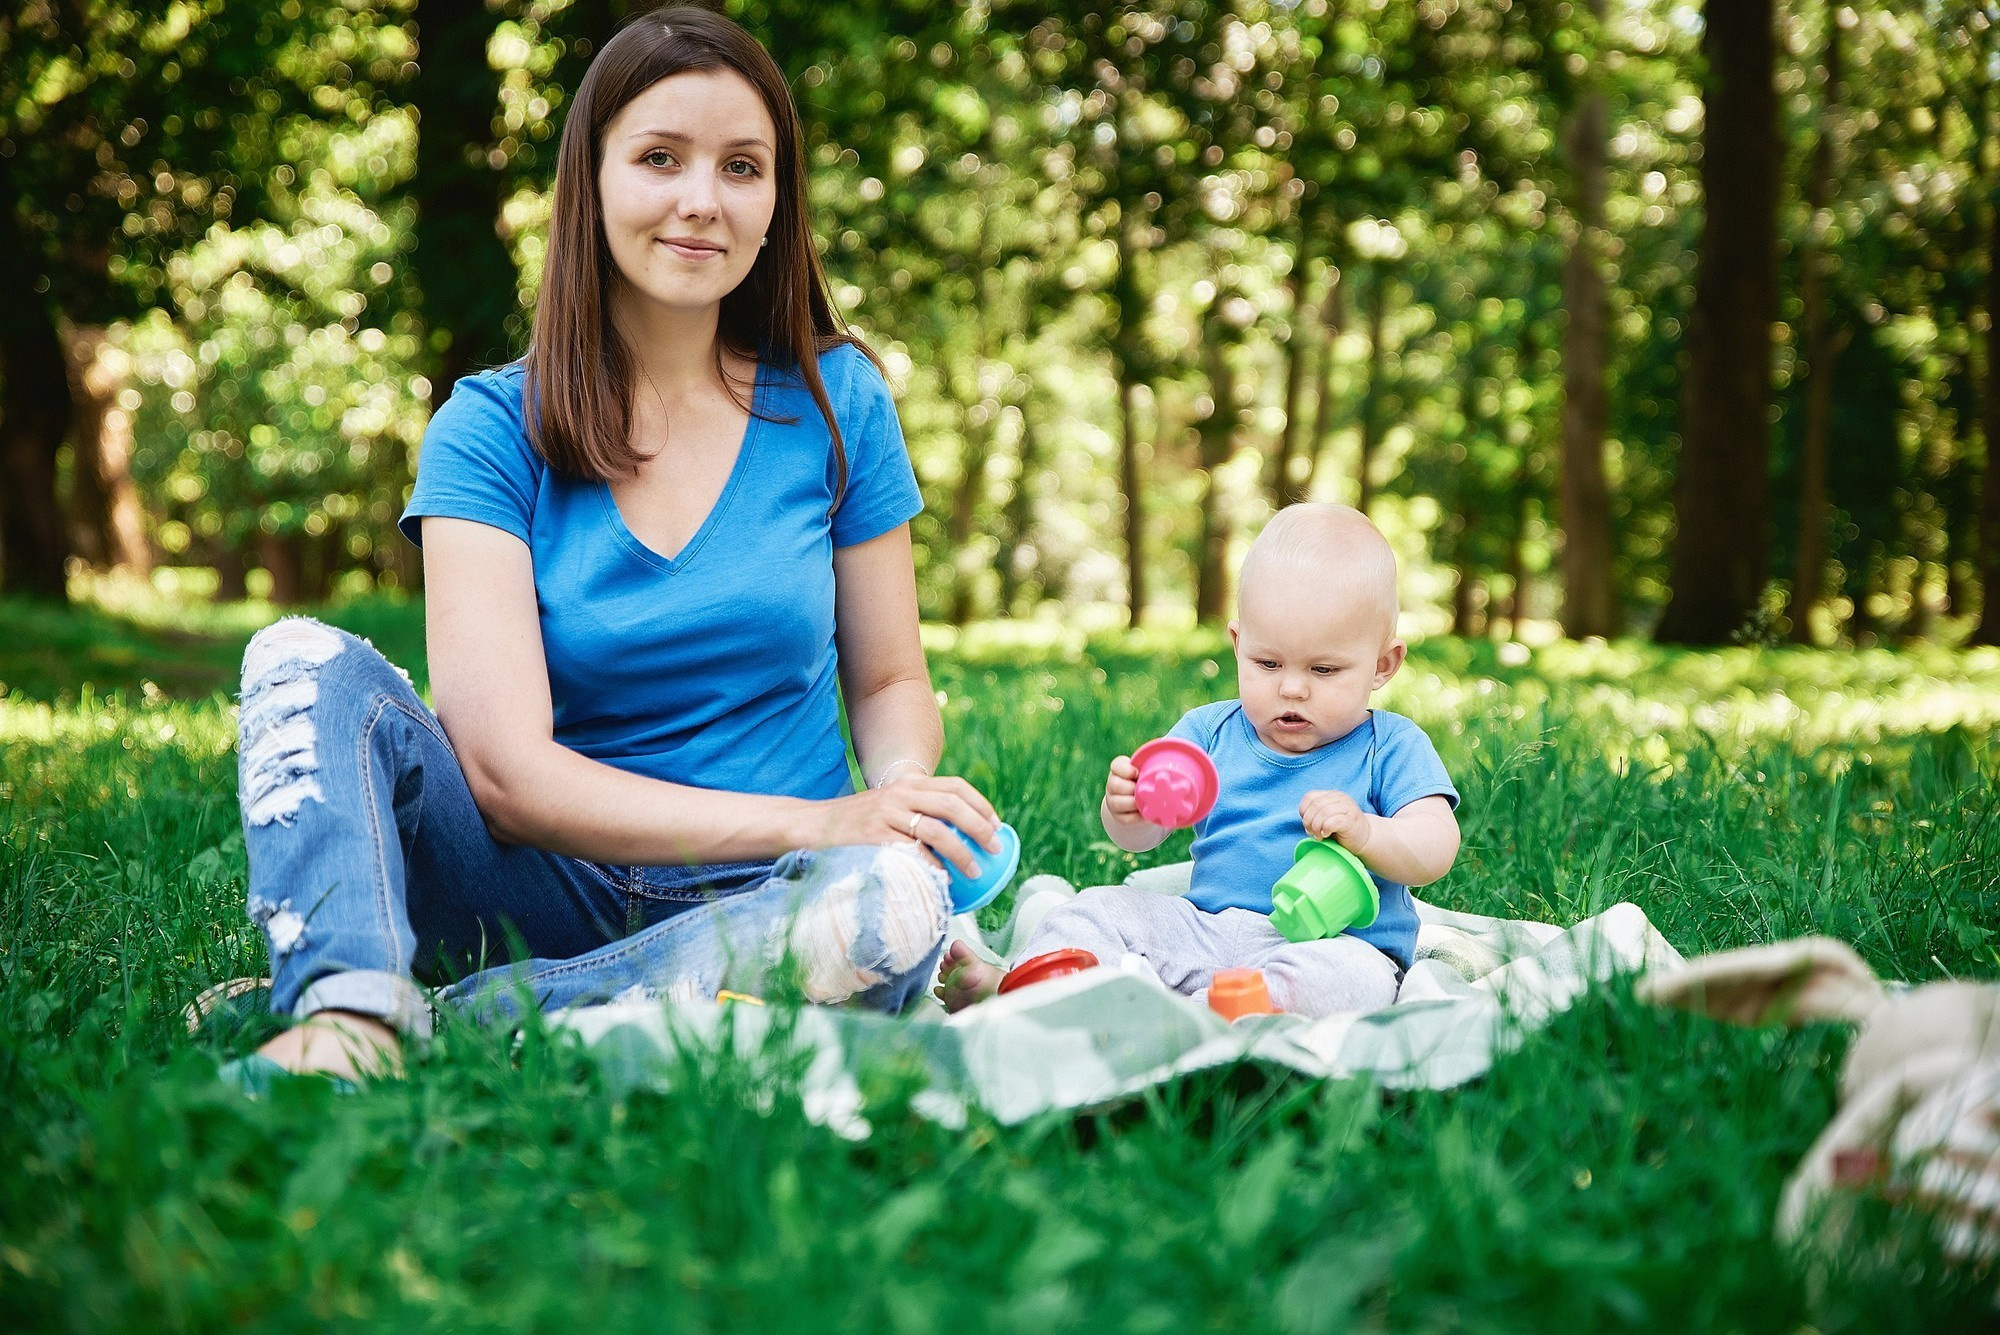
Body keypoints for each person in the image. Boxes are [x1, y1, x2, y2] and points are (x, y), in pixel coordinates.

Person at [228, 7, 999, 1085]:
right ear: (590, 184)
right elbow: (502, 773)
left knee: (889, 913)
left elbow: (888, 677)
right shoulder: (489, 428)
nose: (701, 200)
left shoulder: (838, 402)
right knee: (299, 660)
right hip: (535, 884)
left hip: (785, 889)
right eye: (658, 158)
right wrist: (827, 817)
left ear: (777, 201)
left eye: (742, 166)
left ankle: (468, 1019)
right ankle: (351, 1007)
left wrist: (896, 806)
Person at [936, 504, 1459, 1018]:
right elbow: (1140, 840)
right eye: (1267, 662)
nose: (1292, 688)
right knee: (1094, 908)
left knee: (1352, 980)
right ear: (1238, 645)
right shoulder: (1209, 734)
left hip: (1333, 943)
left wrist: (1368, 834)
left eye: (1324, 669)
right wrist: (1129, 812)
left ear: (1382, 665)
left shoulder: (1390, 745)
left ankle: (1200, 1013)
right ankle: (1028, 989)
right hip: (1205, 931)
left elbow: (1435, 847)